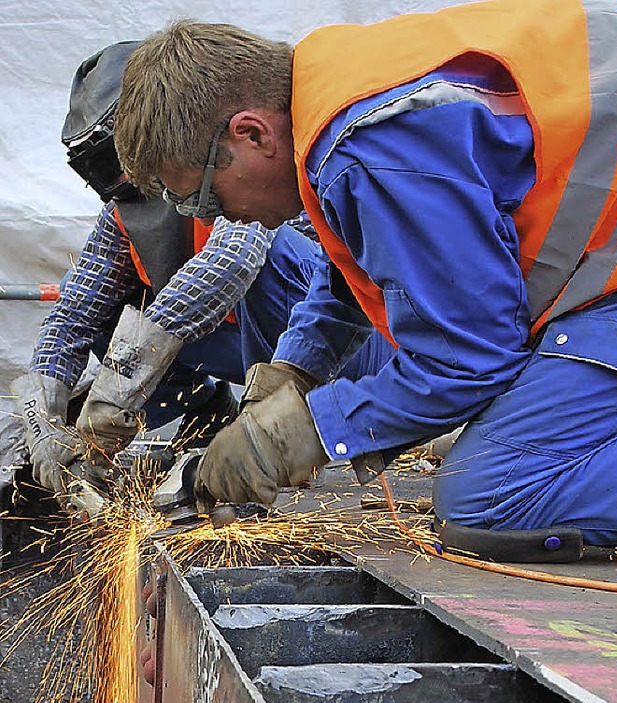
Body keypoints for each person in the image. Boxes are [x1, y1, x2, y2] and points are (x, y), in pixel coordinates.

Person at [113, 1, 617, 547]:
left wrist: (303, 433)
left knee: (488, 496)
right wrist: (294, 372)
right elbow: (356, 275)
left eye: (201, 197)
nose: (212, 218)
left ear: (252, 135)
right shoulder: (333, 94)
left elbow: (468, 359)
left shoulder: (368, 150)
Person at [15, 41, 377, 498]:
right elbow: (74, 315)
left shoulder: (228, 174)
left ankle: (277, 433)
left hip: (341, 347)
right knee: (113, 317)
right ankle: (210, 412)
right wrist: (43, 419)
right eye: (106, 165)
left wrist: (119, 384)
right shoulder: (123, 215)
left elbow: (231, 261)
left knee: (261, 260)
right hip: (248, 353)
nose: (129, 179)